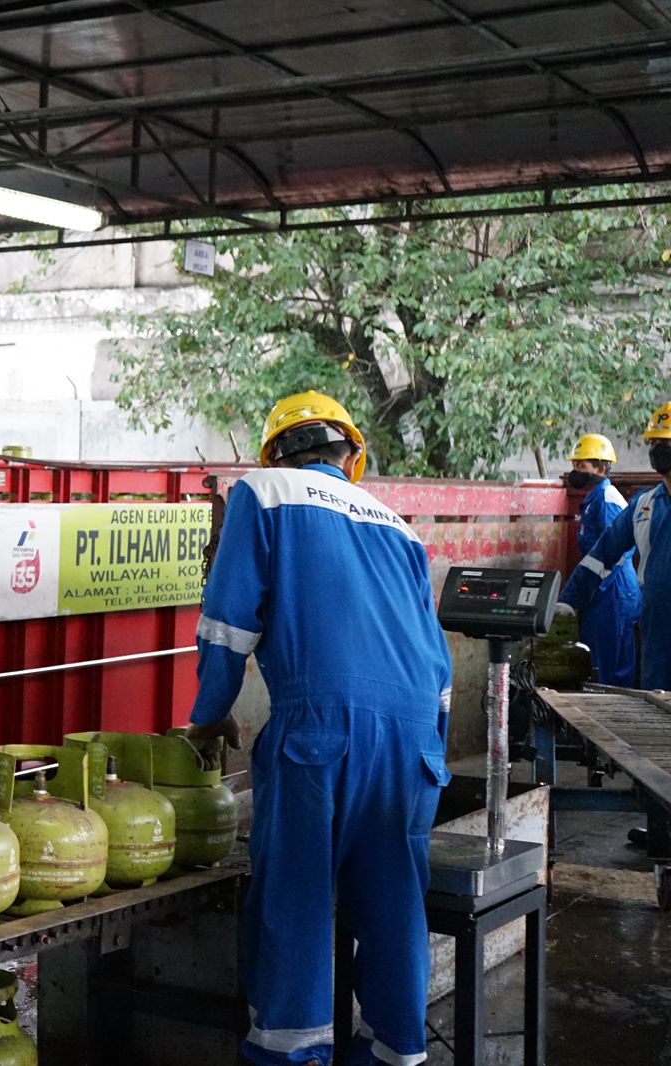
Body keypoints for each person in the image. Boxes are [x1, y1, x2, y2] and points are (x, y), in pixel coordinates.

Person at [187, 391, 453, 1066]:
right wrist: (428, 754)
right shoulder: (402, 526)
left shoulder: (263, 492)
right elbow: (439, 663)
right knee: (395, 909)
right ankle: (399, 1056)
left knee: (298, 902)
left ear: (277, 450)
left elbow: (228, 622)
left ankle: (290, 1054)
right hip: (417, 738)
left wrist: (207, 715)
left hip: (322, 733)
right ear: (348, 453)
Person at [560, 402, 671, 691]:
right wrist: (567, 601)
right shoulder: (644, 505)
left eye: (667, 443)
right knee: (655, 711)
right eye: (655, 443)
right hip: (657, 629)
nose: (659, 450)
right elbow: (601, 555)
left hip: (625, 602)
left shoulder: (609, 499)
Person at [561, 434, 640, 686]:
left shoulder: (606, 500)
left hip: (612, 593)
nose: (576, 472)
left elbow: (615, 552)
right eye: (575, 466)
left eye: (582, 466)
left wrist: (582, 594)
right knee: (605, 666)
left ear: (602, 468)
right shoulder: (594, 500)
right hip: (605, 593)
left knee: (605, 671)